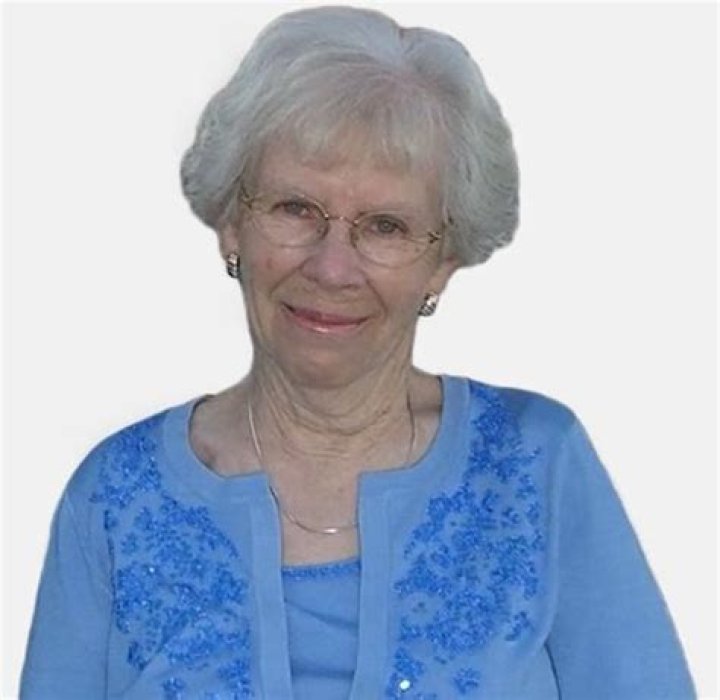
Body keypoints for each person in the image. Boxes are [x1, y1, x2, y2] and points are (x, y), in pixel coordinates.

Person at [20, 6, 695, 699]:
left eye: (386, 226)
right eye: (295, 208)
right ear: (231, 224)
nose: (332, 268)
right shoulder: (114, 496)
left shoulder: (534, 463)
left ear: (443, 263)